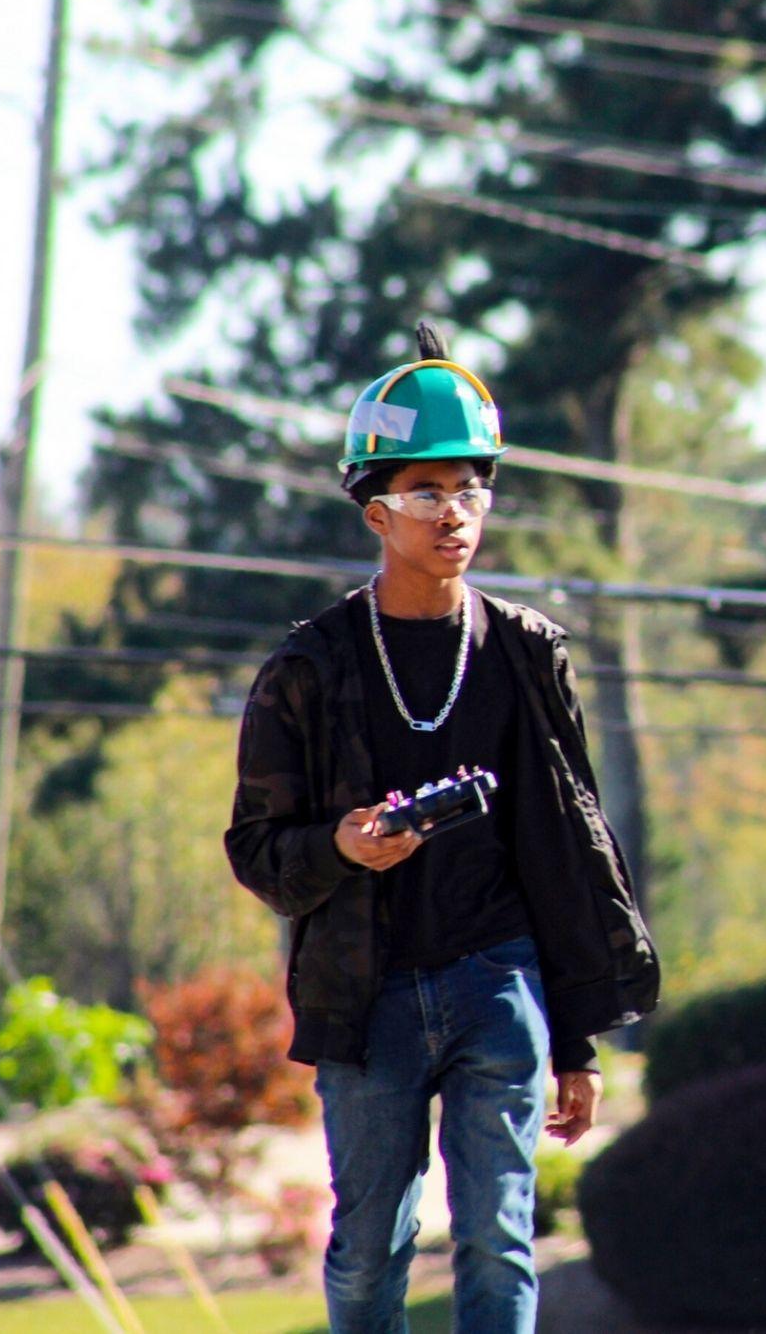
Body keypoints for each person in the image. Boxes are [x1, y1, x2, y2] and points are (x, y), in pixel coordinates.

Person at [225, 325, 660, 1333]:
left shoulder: (524, 653)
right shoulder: (309, 666)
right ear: (376, 510)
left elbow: (569, 854)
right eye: (427, 492)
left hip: (498, 979)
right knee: (370, 1249)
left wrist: (579, 1041)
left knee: (499, 1241)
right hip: (364, 991)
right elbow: (254, 849)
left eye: (471, 488)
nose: (454, 512)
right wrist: (343, 845)